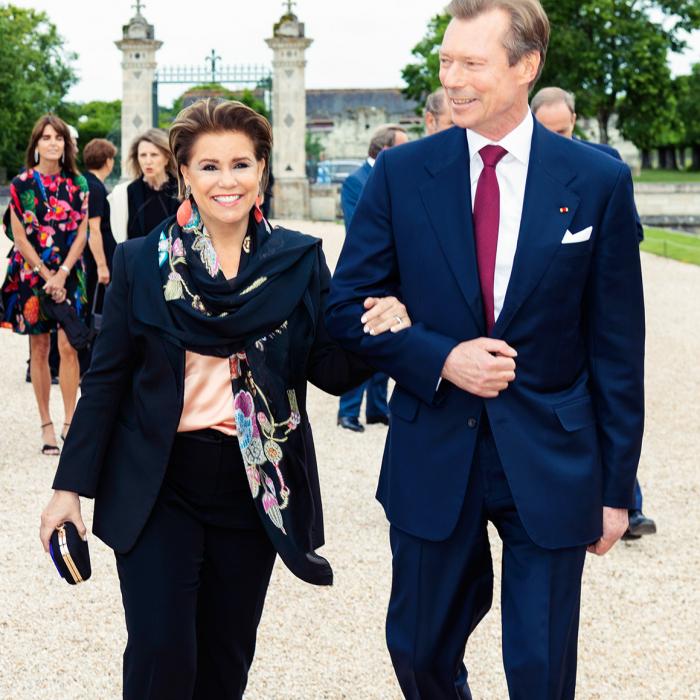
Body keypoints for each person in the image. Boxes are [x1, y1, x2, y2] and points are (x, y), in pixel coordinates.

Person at [39, 98, 412, 700]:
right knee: (162, 655)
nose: (226, 180)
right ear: (183, 172)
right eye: (209, 166)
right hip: (159, 482)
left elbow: (332, 370)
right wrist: (67, 489)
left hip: (254, 484)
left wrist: (382, 324)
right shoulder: (141, 263)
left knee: (225, 659)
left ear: (262, 168)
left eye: (241, 163)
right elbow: (106, 382)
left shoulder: (298, 261)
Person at [326, 0, 645, 697]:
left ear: (526, 66)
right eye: (446, 62)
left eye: (472, 63)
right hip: (434, 449)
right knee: (418, 652)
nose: (453, 80)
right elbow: (343, 309)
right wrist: (440, 356)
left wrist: (616, 490)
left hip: (553, 457)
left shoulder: (596, 181)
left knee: (540, 671)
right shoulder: (402, 175)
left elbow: (618, 346)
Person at [531, 85, 656, 539]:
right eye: (550, 132)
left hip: (596, 311)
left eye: (564, 130)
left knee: (614, 401)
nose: (559, 140)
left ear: (575, 120)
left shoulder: (604, 165)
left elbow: (626, 237)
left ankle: (628, 503)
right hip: (554, 322)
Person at [1, 114, 90, 455]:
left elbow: (83, 231)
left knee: (69, 347)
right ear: (36, 143)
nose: (53, 142)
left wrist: (63, 272)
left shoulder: (77, 184)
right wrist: (45, 274)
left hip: (70, 274)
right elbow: (19, 236)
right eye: (46, 137)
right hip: (31, 274)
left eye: (59, 138)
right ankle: (45, 424)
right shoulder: (21, 184)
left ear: (66, 145)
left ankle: (70, 421)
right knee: (38, 349)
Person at [337, 124, 409, 432]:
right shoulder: (355, 182)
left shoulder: (401, 178)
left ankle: (378, 409)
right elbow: (359, 227)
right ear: (384, 151)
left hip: (398, 272)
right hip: (368, 274)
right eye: (401, 146)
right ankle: (348, 412)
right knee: (364, 339)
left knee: (389, 337)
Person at [82, 138, 118, 327]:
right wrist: (102, 266)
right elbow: (93, 229)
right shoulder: (94, 187)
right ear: (107, 160)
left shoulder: (85, 181)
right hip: (95, 258)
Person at [125, 128, 179, 240]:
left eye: (154, 155)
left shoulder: (180, 189)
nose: (148, 161)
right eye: (143, 155)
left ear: (166, 158)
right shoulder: (130, 191)